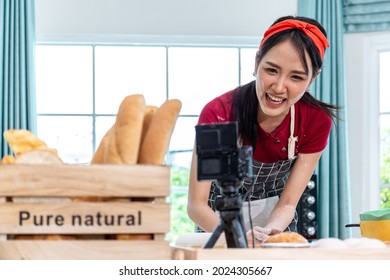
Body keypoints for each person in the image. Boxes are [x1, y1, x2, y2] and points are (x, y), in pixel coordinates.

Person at [187, 15, 339, 246]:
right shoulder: (219, 114)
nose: (278, 87)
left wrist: (272, 230)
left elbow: (288, 202)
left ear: (312, 79)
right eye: (272, 70)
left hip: (276, 225)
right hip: (218, 225)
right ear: (257, 62)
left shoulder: (315, 121)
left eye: (296, 77)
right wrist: (236, 237)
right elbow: (196, 205)